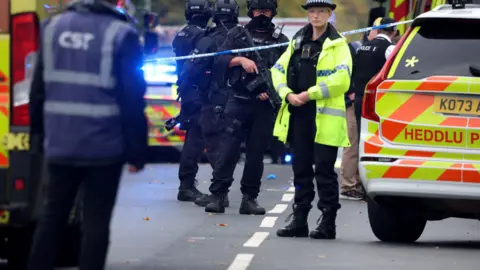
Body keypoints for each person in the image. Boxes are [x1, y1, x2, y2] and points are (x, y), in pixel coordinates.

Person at [27, 0, 148, 269]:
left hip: (60, 143)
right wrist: (137, 150)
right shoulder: (120, 33)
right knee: (96, 223)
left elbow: (37, 90)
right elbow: (132, 97)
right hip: (104, 148)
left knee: (52, 219)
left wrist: (39, 137)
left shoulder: (52, 27)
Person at [200, 0, 289, 215]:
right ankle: (218, 195)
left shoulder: (281, 40)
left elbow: (288, 71)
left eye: (266, 11)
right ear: (251, 11)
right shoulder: (238, 35)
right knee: (228, 150)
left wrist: (274, 91)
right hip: (238, 100)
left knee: (255, 154)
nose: (262, 15)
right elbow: (218, 61)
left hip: (264, 105)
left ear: (273, 13)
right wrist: (239, 59)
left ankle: (249, 199)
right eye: (258, 10)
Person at [273, 0, 352, 239]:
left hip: (324, 117)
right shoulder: (297, 42)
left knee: (325, 171)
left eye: (320, 11)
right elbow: (277, 70)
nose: (315, 15)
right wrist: (287, 94)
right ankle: (299, 220)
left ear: (329, 14)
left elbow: (342, 81)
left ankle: (328, 222)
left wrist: (309, 94)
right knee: (301, 170)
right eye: (312, 11)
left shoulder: (338, 45)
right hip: (299, 115)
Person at [179, 0, 242, 208]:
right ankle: (212, 190)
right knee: (208, 139)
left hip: (199, 92)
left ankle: (206, 188)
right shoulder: (231, 36)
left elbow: (190, 67)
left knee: (202, 138)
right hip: (212, 93)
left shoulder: (189, 34)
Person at [172, 0, 213, 202]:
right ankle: (187, 186)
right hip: (198, 91)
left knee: (194, 137)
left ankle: (187, 184)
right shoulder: (203, 36)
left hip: (187, 90)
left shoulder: (181, 34)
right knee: (196, 139)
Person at [353, 17, 397, 136]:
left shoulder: (361, 47)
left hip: (359, 98)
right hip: (377, 100)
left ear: (377, 31)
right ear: (394, 32)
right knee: (378, 136)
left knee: (362, 135)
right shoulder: (390, 49)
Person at [339, 40, 364, 200]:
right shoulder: (354, 49)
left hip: (354, 102)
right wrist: (351, 92)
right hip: (352, 103)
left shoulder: (358, 48)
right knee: (352, 144)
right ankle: (348, 186)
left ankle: (353, 184)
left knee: (355, 144)